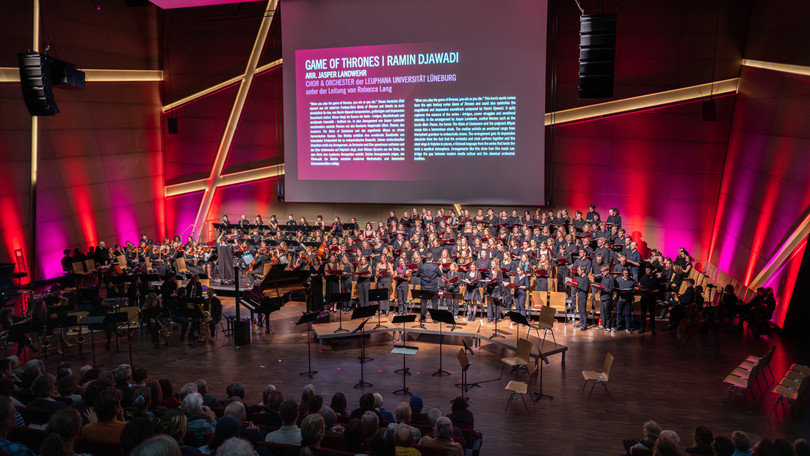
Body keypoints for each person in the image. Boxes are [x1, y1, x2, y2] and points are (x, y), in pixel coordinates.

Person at [416, 253, 440, 321]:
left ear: (426, 259)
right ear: (432, 259)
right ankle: (435, 319)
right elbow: (440, 274)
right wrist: (440, 268)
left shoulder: (421, 266)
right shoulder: (435, 267)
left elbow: (417, 275)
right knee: (434, 303)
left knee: (423, 302)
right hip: (433, 288)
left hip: (424, 288)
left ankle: (423, 318)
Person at [638, 265, 659, 334]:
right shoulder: (643, 278)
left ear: (652, 271)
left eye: (648, 270)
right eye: (646, 269)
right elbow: (641, 288)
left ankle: (652, 329)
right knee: (643, 314)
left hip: (652, 298)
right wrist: (644, 289)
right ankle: (642, 328)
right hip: (644, 297)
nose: (647, 271)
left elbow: (658, 289)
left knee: (652, 314)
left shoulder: (655, 279)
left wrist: (653, 291)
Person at [597, 265, 617, 331]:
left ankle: (608, 327)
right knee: (602, 313)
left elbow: (611, 290)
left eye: (604, 271)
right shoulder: (604, 278)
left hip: (607, 298)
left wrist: (603, 289)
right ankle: (603, 325)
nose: (602, 273)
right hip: (602, 297)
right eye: (602, 272)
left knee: (607, 313)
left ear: (608, 271)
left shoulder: (611, 278)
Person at [574, 265, 590, 330]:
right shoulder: (580, 278)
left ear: (583, 271)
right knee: (580, 310)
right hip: (579, 295)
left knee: (583, 311)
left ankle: (584, 325)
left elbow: (586, 288)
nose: (577, 272)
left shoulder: (586, 278)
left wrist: (578, 286)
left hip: (583, 296)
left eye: (579, 270)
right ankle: (581, 322)